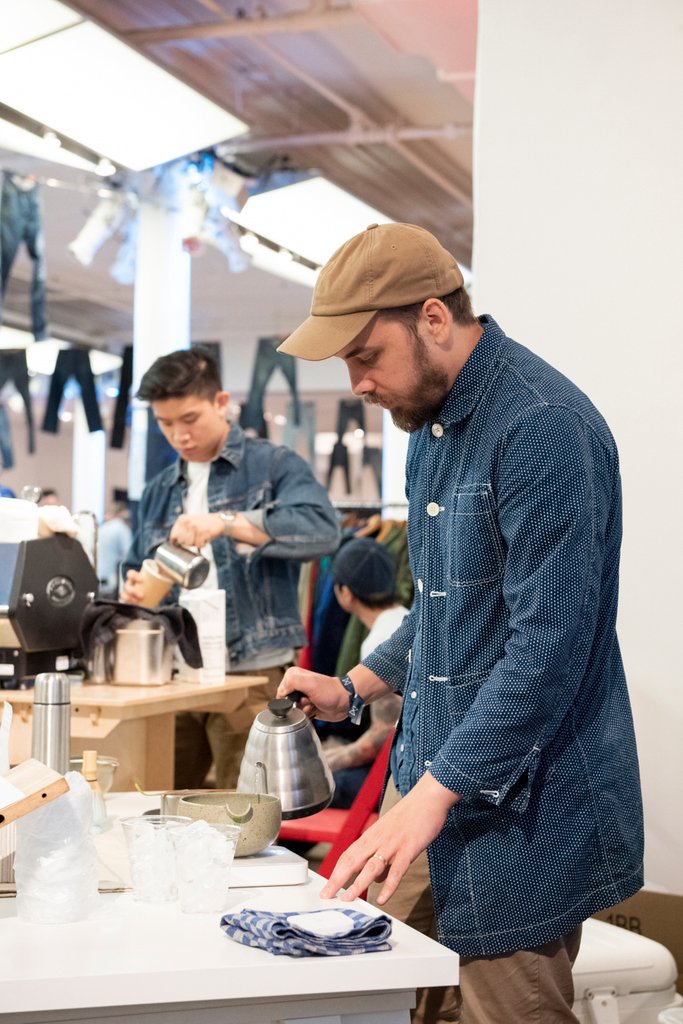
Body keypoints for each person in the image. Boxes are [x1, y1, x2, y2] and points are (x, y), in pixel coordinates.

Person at [275, 223, 644, 1024]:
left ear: (433, 319)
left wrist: (431, 794)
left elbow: (545, 649)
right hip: (434, 781)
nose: (358, 382)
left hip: (526, 806)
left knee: (501, 1008)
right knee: (372, 988)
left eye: (365, 355)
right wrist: (353, 687)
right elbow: (447, 604)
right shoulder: (430, 427)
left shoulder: (542, 429)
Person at [120, 348, 340, 790]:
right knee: (162, 798)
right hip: (177, 671)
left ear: (221, 402)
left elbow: (322, 530)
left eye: (189, 418)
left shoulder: (272, 465)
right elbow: (134, 563)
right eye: (166, 424)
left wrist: (226, 523)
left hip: (252, 671)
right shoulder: (160, 489)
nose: (179, 435)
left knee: (246, 811)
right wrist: (136, 585)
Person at [324, 537, 407, 806]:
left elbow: (382, 737)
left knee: (306, 789)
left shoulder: (378, 641)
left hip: (401, 775)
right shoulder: (406, 617)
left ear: (345, 593)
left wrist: (331, 759)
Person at [96, 501, 133, 599]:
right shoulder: (122, 530)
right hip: (111, 585)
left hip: (97, 581)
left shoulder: (101, 528)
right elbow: (129, 556)